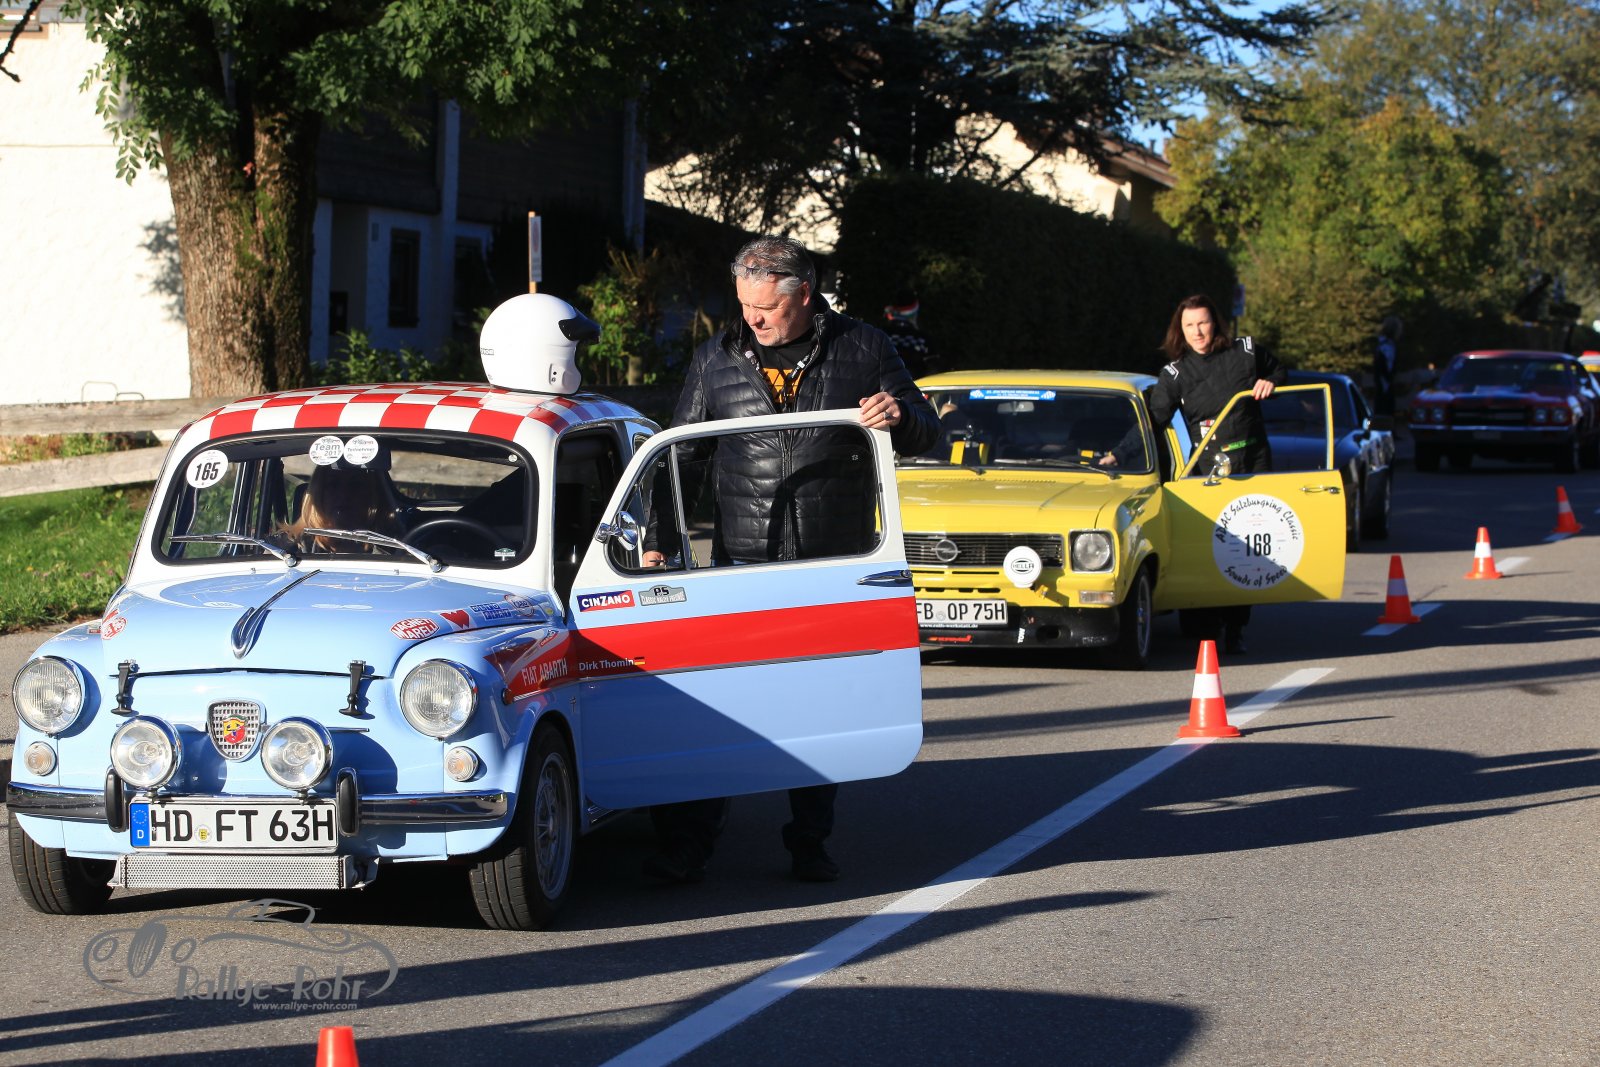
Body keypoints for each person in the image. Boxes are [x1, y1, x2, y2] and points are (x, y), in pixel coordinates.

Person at [639, 235, 939, 884]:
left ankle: (809, 841)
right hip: (739, 565)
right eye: (744, 304)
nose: (752, 317)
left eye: (766, 307)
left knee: (818, 709)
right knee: (718, 708)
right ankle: (692, 844)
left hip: (831, 566)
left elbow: (926, 428)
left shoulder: (865, 347)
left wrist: (899, 414)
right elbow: (679, 459)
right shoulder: (716, 357)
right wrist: (660, 539)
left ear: (804, 293)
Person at [1098, 293, 1285, 654]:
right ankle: (1209, 625)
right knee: (1213, 548)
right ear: (1179, 331)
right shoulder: (1175, 374)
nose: (1197, 332)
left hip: (1254, 463)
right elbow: (1153, 420)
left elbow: (1279, 371)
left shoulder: (1246, 351)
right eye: (1189, 326)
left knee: (1247, 549)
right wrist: (1117, 454)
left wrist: (1271, 383)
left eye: (1203, 323)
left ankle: (1237, 627)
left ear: (1215, 323)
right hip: (1209, 469)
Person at [281, 463, 406, 552]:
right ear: (317, 493)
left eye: (355, 485)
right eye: (333, 485)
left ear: (371, 494)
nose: (344, 495)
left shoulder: (398, 548)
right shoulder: (284, 550)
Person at [879, 289, 943, 378]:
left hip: (881, 385)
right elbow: (934, 371)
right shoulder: (923, 340)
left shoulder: (879, 336)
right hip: (914, 385)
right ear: (915, 312)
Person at [1373, 315, 1402, 416]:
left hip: (1384, 384)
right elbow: (1385, 367)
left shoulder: (1383, 344)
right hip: (1385, 385)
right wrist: (1389, 378)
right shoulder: (1386, 347)